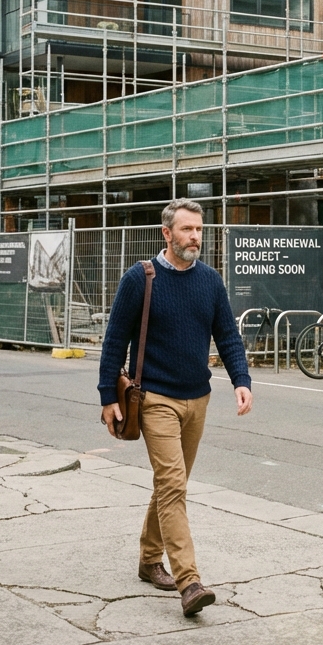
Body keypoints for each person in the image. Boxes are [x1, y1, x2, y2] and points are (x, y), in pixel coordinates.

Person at [98, 199, 253, 616]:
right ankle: (190, 582)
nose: (196, 237)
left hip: (197, 397)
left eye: (200, 230)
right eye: (187, 230)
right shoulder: (140, 279)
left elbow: (227, 335)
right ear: (166, 234)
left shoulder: (210, 281)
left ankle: (149, 559)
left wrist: (242, 381)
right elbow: (114, 340)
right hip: (155, 399)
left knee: (172, 484)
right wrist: (107, 397)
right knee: (172, 484)